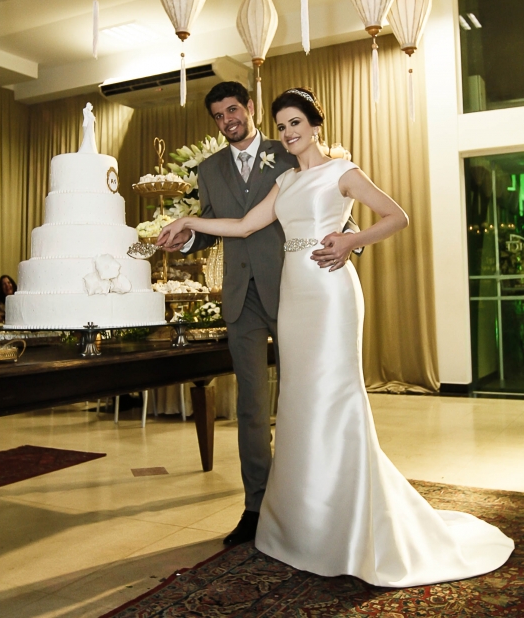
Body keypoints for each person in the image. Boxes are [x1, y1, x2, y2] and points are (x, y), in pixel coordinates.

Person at [159, 87, 513, 587]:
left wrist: (351, 240)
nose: (288, 133)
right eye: (283, 126)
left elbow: (396, 216)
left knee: (335, 394)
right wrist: (187, 220)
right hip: (294, 294)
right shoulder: (284, 179)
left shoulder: (342, 171)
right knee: (300, 398)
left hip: (330, 292)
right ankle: (306, 515)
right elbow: (243, 225)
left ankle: (350, 511)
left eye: (296, 123)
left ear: (315, 126)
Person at [161, 81, 297, 545]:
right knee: (251, 406)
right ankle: (256, 507)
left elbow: (322, 196)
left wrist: (347, 238)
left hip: (293, 288)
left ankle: (302, 498)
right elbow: (210, 224)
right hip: (241, 298)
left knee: (300, 397)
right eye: (219, 116)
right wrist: (186, 239)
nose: (227, 121)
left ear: (250, 107)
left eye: (233, 110)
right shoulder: (209, 168)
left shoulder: (287, 150)